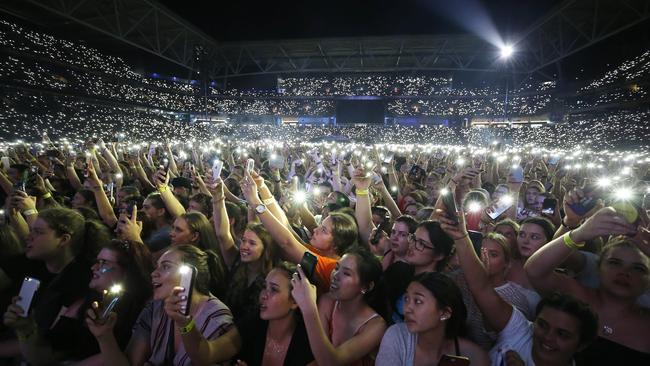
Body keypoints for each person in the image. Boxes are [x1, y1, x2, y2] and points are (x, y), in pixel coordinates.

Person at [437, 207, 599, 366]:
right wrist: (461, 237)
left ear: (581, 345)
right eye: (542, 325)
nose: (548, 337)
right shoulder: (520, 332)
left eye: (562, 334)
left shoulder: (532, 290)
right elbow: (481, 288)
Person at [525, 207, 650, 364]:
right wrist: (580, 233)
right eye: (614, 263)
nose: (625, 273)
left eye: (638, 268)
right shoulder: (575, 297)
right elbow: (535, 270)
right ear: (598, 268)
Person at [86, 245, 241, 366]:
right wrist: (104, 336)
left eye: (165, 266)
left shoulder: (216, 316)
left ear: (190, 274)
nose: (154, 273)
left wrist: (184, 323)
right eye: (156, 266)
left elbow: (203, 358)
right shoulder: (155, 308)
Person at [291, 248, 388, 366]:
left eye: (346, 273)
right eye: (337, 268)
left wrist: (309, 308)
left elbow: (330, 362)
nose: (335, 275)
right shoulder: (328, 301)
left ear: (366, 287)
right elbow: (318, 355)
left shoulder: (376, 326)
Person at [376, 272, 489, 366]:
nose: (407, 309)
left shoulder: (474, 356)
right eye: (406, 299)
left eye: (418, 301)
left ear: (445, 313)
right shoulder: (397, 336)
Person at [234, 262, 315, 366]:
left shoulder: (306, 343)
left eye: (274, 289)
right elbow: (215, 350)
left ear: (295, 301)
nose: (263, 295)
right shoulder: (253, 323)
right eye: (264, 286)